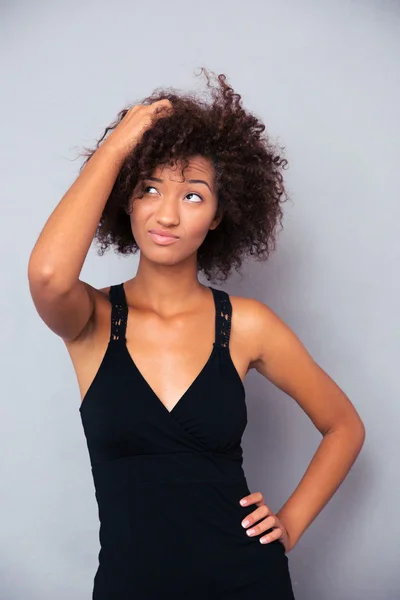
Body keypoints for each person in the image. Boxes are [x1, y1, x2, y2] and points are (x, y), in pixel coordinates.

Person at [28, 69, 365, 599]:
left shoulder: (247, 324)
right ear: (127, 202)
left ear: (216, 216)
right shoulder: (91, 320)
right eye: (149, 188)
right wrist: (120, 143)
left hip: (246, 582)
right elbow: (48, 275)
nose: (166, 213)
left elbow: (344, 426)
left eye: (192, 195)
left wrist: (290, 524)